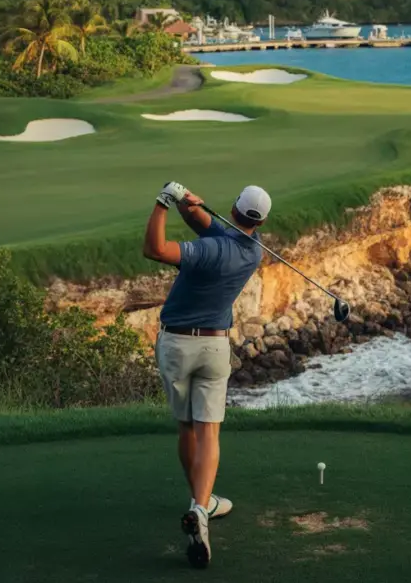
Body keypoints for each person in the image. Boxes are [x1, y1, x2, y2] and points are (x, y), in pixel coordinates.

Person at [142, 181, 272, 570]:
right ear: (260, 221)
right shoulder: (253, 251)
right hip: (215, 348)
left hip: (177, 346)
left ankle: (199, 505)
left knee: (187, 429)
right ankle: (203, 505)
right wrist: (188, 204)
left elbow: (155, 250)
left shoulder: (211, 250)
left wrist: (163, 203)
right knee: (209, 431)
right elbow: (211, 227)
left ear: (233, 209)